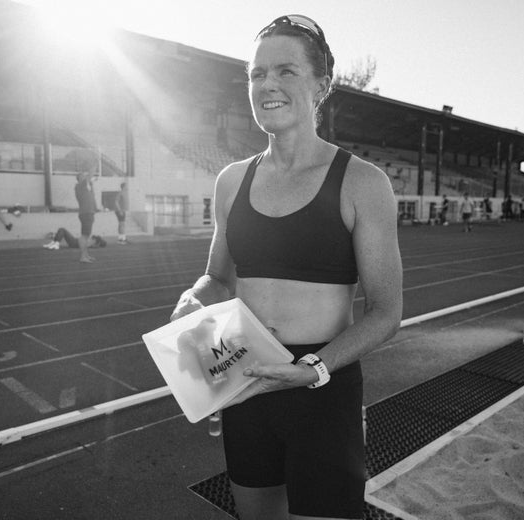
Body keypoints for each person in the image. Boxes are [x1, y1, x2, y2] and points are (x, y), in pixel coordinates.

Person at [170, 15, 402, 520]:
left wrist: (312, 370)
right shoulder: (231, 181)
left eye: (286, 71)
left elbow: (385, 312)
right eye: (256, 74)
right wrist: (195, 297)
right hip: (246, 381)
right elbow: (218, 276)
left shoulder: (363, 183)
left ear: (322, 84)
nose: (267, 85)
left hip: (322, 388)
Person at [74, 170, 98, 263]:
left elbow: (93, 195)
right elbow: (89, 176)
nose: (85, 177)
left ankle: (86, 255)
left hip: (89, 213)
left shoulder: (85, 189)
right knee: (84, 236)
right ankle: (83, 257)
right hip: (86, 213)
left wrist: (92, 185)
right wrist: (94, 165)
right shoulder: (79, 186)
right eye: (83, 176)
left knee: (86, 236)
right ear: (80, 179)